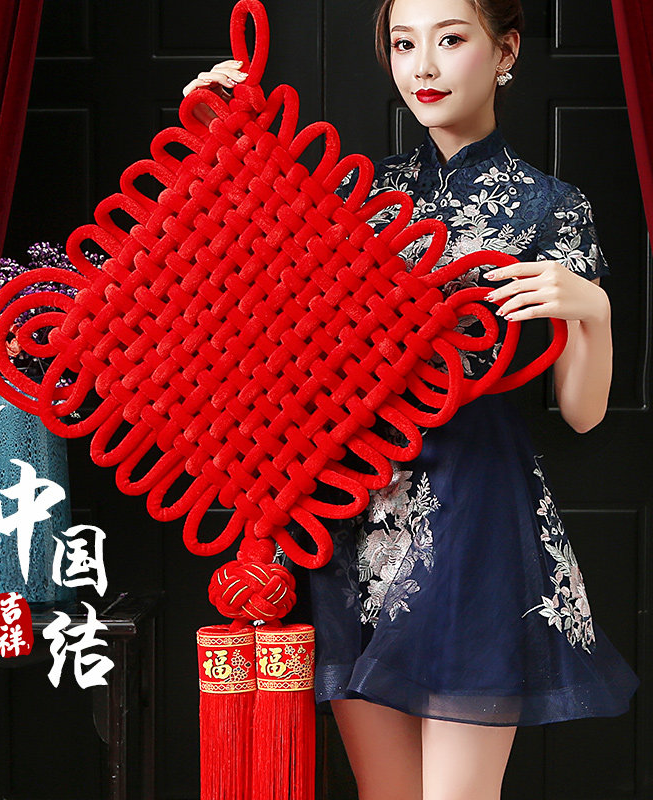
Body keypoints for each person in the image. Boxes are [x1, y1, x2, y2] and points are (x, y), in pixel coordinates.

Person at [183, 0, 641, 797]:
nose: (422, 66)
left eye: (450, 39)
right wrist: (221, 139)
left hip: (475, 518)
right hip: (350, 508)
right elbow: (236, 292)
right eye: (403, 44)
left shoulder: (552, 208)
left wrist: (593, 312)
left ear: (506, 51)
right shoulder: (352, 194)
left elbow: (581, 412)